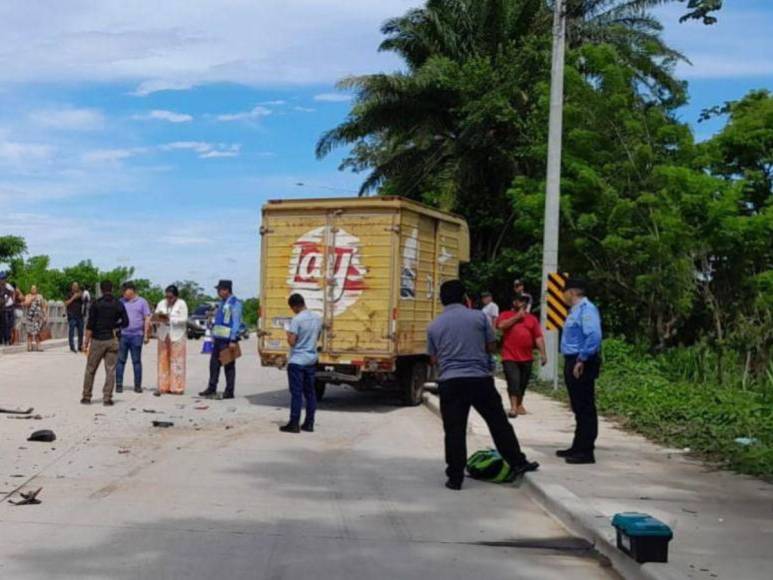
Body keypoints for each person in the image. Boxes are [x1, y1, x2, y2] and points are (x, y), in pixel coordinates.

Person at [428, 279, 539, 490]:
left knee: (454, 430)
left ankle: (455, 477)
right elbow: (490, 346)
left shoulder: (435, 325)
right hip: (479, 380)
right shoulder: (479, 317)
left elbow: (434, 359)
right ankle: (517, 462)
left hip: (450, 382)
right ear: (465, 298)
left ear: (442, 300)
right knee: (498, 423)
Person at [558, 278, 603, 465]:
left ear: (571, 292)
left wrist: (582, 359)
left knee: (585, 407)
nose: (562, 296)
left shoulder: (587, 309)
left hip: (581, 361)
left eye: (564, 292)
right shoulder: (575, 311)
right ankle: (578, 445)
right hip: (573, 359)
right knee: (577, 406)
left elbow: (594, 335)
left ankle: (586, 451)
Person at [497, 294, 547, 418]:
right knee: (513, 381)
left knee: (522, 383)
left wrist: (543, 353)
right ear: (514, 302)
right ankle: (513, 407)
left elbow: (538, 337)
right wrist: (517, 317)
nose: (522, 303)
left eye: (524, 301)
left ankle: (519, 403)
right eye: (520, 301)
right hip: (509, 356)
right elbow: (501, 326)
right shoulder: (506, 314)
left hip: (527, 357)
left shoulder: (531, 319)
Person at [280, 293, 322, 434]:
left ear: (295, 306)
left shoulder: (297, 320)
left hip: (297, 361)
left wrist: (288, 335)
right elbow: (318, 336)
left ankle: (294, 423)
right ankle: (309, 423)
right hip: (311, 359)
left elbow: (292, 341)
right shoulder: (317, 318)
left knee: (296, 393)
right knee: (310, 393)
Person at [82, 280, 129, 405]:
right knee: (110, 370)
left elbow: (90, 325)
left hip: (97, 340)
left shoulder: (96, 304)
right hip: (112, 339)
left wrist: (86, 342)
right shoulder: (118, 304)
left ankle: (86, 397)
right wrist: (115, 325)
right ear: (112, 289)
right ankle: (107, 398)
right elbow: (126, 322)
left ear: (102, 290)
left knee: (91, 369)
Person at [199, 280, 242, 400]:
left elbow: (236, 322)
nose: (218, 292)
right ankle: (211, 387)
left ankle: (229, 391)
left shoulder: (235, 303)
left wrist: (233, 340)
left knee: (228, 365)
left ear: (226, 290)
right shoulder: (222, 303)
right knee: (214, 364)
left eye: (220, 290)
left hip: (228, 339)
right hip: (218, 338)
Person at [116, 282, 152, 394]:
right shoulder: (121, 302)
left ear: (131, 290)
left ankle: (137, 385)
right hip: (123, 335)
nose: (123, 294)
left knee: (136, 361)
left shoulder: (142, 302)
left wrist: (146, 335)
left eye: (124, 291)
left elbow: (147, 318)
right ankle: (119, 384)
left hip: (137, 335)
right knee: (120, 361)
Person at [154, 285, 188, 396]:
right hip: (163, 334)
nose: (169, 299)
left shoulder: (181, 304)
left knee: (177, 361)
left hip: (177, 334)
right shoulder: (161, 303)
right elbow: (156, 315)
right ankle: (163, 386)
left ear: (176, 296)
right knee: (163, 360)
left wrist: (171, 319)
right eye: (167, 297)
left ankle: (177, 387)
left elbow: (184, 319)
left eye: (171, 297)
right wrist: (159, 318)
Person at [23, 285, 48, 352]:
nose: (33, 289)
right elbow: (25, 304)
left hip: (38, 317)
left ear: (36, 289)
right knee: (29, 332)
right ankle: (29, 345)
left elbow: (43, 306)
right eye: (32, 288)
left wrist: (45, 315)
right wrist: (31, 299)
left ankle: (38, 346)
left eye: (34, 288)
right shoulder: (28, 296)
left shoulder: (40, 296)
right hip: (30, 317)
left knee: (38, 332)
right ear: (30, 289)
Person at [65, 282, 85, 353]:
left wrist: (81, 295)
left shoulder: (80, 294)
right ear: (72, 287)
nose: (75, 287)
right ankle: (72, 347)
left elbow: (84, 301)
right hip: (72, 315)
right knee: (72, 332)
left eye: (77, 286)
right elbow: (66, 303)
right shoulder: (69, 294)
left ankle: (80, 346)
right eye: (74, 286)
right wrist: (73, 298)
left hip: (79, 316)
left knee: (81, 332)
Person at [0, 272, 14, 345]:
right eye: (2, 278)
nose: (3, 280)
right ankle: (2, 340)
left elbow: (13, 292)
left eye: (4, 278)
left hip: (8, 308)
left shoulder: (7, 286)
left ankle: (7, 340)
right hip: (1, 308)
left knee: (7, 324)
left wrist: (11, 300)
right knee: (2, 325)